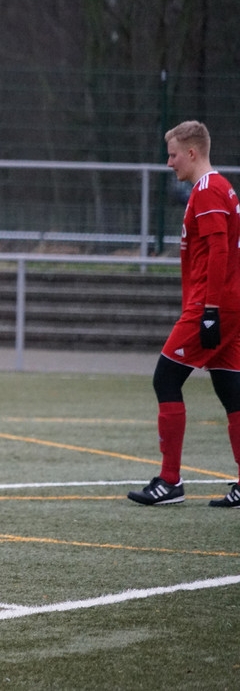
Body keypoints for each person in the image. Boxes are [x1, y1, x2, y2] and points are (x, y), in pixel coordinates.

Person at [128, 120, 240, 508]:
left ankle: (170, 481)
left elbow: (220, 251)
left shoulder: (208, 190)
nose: (169, 162)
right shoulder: (218, 188)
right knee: (231, 390)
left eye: (173, 154)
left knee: (165, 378)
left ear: (192, 153)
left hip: (212, 305)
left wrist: (210, 310)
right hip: (226, 304)